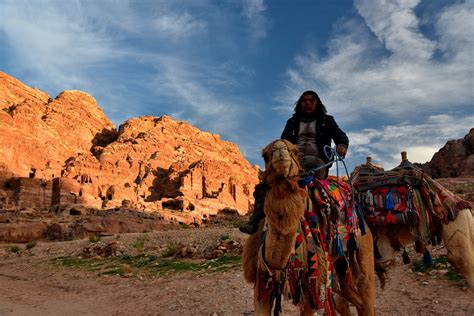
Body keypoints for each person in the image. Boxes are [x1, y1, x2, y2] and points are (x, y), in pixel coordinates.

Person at [239, 90, 349, 234]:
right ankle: (255, 220)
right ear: (299, 104)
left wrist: (342, 145)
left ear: (317, 103)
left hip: (318, 162)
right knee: (267, 182)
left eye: (311, 100)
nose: (307, 103)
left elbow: (341, 135)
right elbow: (284, 140)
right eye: (304, 101)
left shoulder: (327, 121)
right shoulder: (292, 122)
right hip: (295, 163)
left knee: (308, 161)